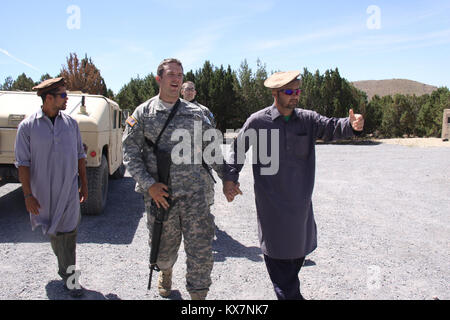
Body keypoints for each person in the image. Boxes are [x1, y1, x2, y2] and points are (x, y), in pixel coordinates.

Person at [223, 71, 365, 300]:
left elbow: (331, 127)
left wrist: (351, 124)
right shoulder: (258, 122)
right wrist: (230, 179)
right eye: (289, 92)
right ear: (275, 93)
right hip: (272, 213)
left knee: (293, 266)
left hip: (300, 211)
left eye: (298, 91)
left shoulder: (308, 120)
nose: (295, 96)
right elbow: (237, 150)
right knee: (284, 280)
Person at [122, 58, 223, 300]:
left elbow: (213, 150)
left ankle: (198, 297)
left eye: (180, 74)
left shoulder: (197, 113)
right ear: (159, 79)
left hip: (195, 195)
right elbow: (129, 153)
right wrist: (150, 185)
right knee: (163, 250)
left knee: (201, 250)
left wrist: (229, 179)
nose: (177, 78)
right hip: (161, 197)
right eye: (171, 74)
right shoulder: (143, 113)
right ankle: (165, 271)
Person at [14, 77, 88, 298]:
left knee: (70, 234)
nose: (67, 99)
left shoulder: (71, 124)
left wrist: (84, 185)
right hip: (43, 193)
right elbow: (23, 163)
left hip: (69, 191)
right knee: (55, 234)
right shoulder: (27, 127)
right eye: (63, 95)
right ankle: (63, 268)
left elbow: (80, 156)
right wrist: (27, 194)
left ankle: (71, 279)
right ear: (49, 98)